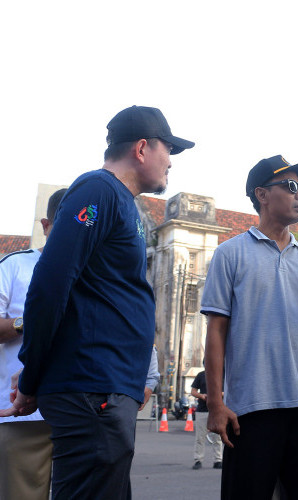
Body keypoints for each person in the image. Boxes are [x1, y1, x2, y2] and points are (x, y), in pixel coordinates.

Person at [0, 105, 194, 499]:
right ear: (142, 148)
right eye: (167, 149)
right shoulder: (96, 191)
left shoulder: (125, 204)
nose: (170, 162)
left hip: (105, 387)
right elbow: (49, 285)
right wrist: (34, 371)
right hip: (92, 388)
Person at [201, 155, 298, 499]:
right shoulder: (230, 255)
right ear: (262, 194)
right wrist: (217, 403)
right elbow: (216, 332)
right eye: (291, 186)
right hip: (250, 410)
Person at [0, 188, 66, 500]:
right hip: (22, 413)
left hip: (79, 409)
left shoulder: (97, 272)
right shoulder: (14, 266)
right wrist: (30, 320)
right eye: (65, 223)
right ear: (46, 224)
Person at [191, 366, 223, 470]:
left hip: (217, 410)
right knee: (200, 437)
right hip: (202, 409)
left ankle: (218, 460)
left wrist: (217, 395)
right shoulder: (200, 375)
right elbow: (193, 391)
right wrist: (202, 396)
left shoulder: (221, 374)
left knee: (217, 437)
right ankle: (198, 460)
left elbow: (227, 390)